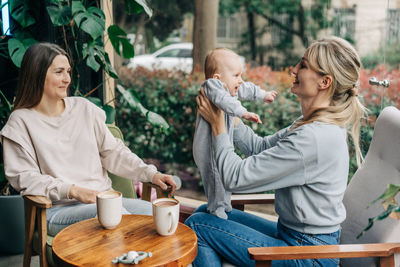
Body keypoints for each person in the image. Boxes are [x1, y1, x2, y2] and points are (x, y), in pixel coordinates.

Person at [186, 36, 367, 267]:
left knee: (198, 226)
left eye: (302, 65)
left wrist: (218, 125)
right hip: (296, 237)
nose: (293, 70)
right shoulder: (310, 124)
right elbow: (258, 147)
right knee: (208, 212)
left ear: (325, 82)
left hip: (308, 255)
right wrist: (230, 117)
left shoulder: (313, 138)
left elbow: (234, 178)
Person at [0, 42, 176, 236]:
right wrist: (73, 190)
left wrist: (152, 175)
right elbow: (25, 178)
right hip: (57, 211)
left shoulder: (84, 109)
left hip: (105, 200)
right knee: (117, 219)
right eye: (59, 72)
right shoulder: (20, 122)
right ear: (37, 74)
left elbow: (115, 153)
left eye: (68, 71)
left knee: (163, 217)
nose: (67, 79)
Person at [193, 48, 277, 219]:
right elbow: (224, 101)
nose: (240, 80)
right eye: (236, 75)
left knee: (222, 176)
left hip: (218, 143)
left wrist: (263, 95)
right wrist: (242, 112)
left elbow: (246, 88)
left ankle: (224, 204)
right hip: (207, 147)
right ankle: (216, 209)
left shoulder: (229, 87)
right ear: (218, 77)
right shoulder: (212, 87)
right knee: (215, 176)